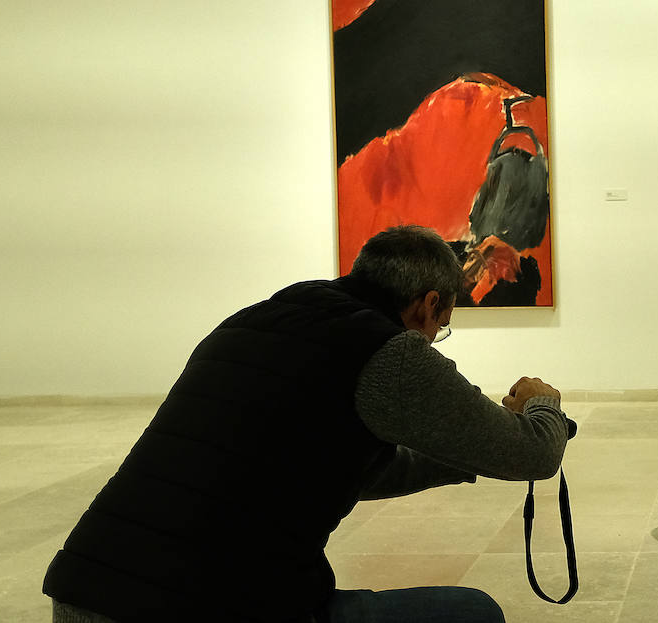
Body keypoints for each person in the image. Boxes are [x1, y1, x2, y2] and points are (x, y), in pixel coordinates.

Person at [42, 225, 570, 622]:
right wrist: (543, 405)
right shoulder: (390, 355)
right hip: (204, 608)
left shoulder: (255, 320)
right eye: (444, 327)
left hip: (84, 594)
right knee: (470, 615)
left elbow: (357, 469)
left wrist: (465, 455)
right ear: (429, 305)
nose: (436, 338)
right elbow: (535, 456)